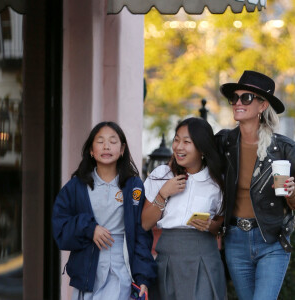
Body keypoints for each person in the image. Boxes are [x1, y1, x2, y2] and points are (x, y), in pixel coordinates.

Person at [52, 121, 156, 300]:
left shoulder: (134, 186)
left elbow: (141, 234)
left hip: (121, 269)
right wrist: (89, 228)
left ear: (122, 149)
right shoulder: (76, 186)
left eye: (113, 141)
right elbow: (60, 228)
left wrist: (143, 277)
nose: (106, 146)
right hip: (87, 273)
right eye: (100, 141)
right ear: (91, 150)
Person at [216, 70, 295, 300]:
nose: (238, 102)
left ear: (262, 106)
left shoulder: (285, 149)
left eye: (246, 98)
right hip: (235, 240)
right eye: (235, 98)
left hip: (271, 239)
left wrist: (292, 193)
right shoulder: (224, 142)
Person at [142, 117, 227, 300]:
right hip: (168, 259)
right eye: (176, 139)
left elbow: (220, 225)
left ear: (202, 148)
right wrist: (163, 194)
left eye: (187, 142)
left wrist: (209, 225)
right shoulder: (161, 175)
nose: (179, 147)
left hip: (204, 258)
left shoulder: (216, 182)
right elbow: (145, 223)